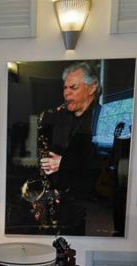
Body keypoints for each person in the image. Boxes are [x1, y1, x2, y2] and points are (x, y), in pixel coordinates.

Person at [38, 62, 102, 233]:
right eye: (65, 88)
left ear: (92, 88)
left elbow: (101, 162)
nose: (66, 93)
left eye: (73, 87)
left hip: (90, 206)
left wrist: (64, 163)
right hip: (62, 196)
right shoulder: (62, 118)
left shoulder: (102, 118)